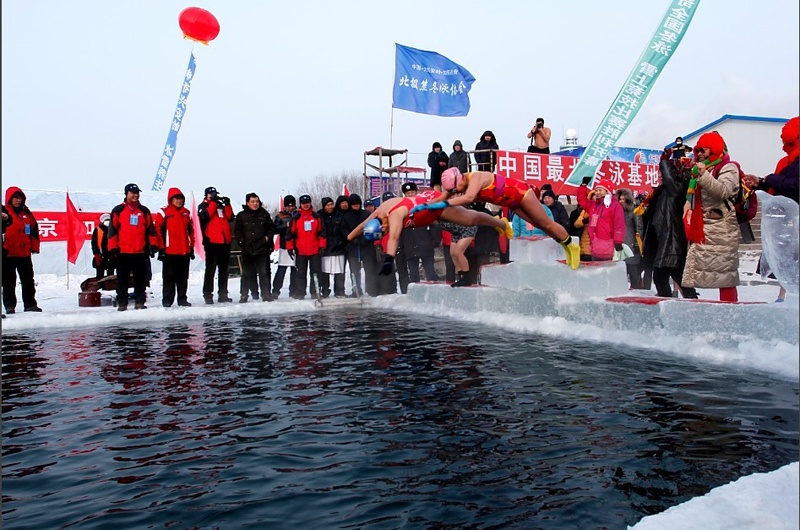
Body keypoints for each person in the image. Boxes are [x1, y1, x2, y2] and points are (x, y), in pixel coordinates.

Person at [412, 168, 580, 269]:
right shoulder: (456, 185)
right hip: (513, 204)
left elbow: (469, 198)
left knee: (546, 223)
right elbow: (441, 197)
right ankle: (566, 247)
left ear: (460, 177)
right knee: (540, 226)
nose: (456, 192)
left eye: (456, 189)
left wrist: (442, 205)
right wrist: (423, 205)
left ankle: (572, 247)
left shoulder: (474, 178)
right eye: (453, 190)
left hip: (521, 193)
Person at [347, 188, 513, 282]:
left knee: (471, 219)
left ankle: (500, 223)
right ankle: (464, 278)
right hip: (437, 216)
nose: (385, 232)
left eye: (383, 230)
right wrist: (346, 240)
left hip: (435, 207)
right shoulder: (378, 214)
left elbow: (394, 238)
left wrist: (389, 260)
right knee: (455, 252)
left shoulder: (394, 214)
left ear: (382, 223)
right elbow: (361, 226)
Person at [743, 115, 799, 302]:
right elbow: (779, 190)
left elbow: (795, 185)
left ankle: (787, 297)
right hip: (787, 224)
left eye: (790, 142)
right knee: (788, 261)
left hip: (795, 222)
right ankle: (783, 297)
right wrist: (760, 183)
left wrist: (771, 179)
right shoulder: (786, 162)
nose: (785, 145)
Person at [682, 132, 741, 302]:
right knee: (700, 269)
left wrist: (704, 175)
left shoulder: (729, 167)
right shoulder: (701, 169)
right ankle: (694, 303)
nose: (699, 153)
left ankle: (730, 308)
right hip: (704, 227)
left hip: (721, 228)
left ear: (714, 148)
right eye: (697, 150)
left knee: (725, 273)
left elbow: (722, 191)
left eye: (703, 149)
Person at [639, 152, 698, 299]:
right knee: (672, 276)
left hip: (671, 241)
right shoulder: (665, 190)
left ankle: (673, 304)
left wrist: (664, 161)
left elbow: (669, 179)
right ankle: (687, 302)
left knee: (664, 276)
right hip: (666, 240)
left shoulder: (678, 188)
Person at [108, 183, 158, 311]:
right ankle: (122, 303)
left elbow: (150, 230)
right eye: (133, 193)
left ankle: (140, 302)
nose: (135, 195)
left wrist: (153, 245)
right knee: (122, 279)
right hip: (123, 251)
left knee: (140, 279)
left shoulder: (144, 211)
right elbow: (112, 231)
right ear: (126, 194)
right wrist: (112, 248)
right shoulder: (118, 210)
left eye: (137, 193)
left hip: (140, 251)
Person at [2, 187, 42, 313]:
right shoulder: (4, 212)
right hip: (8, 252)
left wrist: (34, 247)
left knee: (28, 280)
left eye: (20, 198)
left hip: (24, 253)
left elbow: (34, 230)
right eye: (15, 198)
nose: (18, 201)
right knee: (9, 281)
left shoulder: (27, 213)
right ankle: (9, 306)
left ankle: (30, 304)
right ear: (10, 199)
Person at [154, 187, 195, 307]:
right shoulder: (163, 213)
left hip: (184, 251)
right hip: (169, 251)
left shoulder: (186, 213)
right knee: (169, 277)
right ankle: (167, 300)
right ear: (171, 199)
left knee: (183, 278)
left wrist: (191, 247)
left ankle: (182, 299)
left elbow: (191, 232)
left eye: (181, 198)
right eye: (176, 198)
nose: (179, 201)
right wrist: (161, 249)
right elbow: (158, 231)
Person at [234, 192, 274, 303]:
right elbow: (237, 231)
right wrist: (241, 241)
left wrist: (267, 238)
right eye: (252, 202)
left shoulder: (264, 214)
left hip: (261, 248)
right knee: (246, 274)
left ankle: (266, 294)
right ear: (247, 203)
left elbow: (271, 228)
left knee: (263, 272)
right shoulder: (241, 216)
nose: (255, 204)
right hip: (247, 249)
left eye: (257, 201)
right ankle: (244, 295)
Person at [198, 186, 235, 304]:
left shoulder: (220, 207)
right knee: (210, 269)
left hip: (224, 241)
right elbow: (206, 216)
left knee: (224, 270)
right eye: (211, 194)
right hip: (212, 242)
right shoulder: (203, 206)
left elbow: (230, 217)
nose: (214, 196)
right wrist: (213, 203)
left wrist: (227, 205)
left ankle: (223, 294)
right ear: (207, 195)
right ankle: (208, 294)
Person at [576, 177, 626, 262]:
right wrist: (583, 186)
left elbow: (619, 224)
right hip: (595, 245)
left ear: (607, 191)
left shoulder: (615, 205)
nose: (597, 192)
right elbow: (582, 200)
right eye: (596, 190)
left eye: (600, 190)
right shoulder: (593, 205)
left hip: (609, 245)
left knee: (608, 272)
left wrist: (618, 240)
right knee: (596, 272)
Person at [399, 182, 439, 284]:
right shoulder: (401, 210)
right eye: (408, 193)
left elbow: (434, 225)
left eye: (413, 192)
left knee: (430, 272)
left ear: (416, 193)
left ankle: (432, 293)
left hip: (425, 245)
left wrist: (434, 241)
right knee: (413, 274)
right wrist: (401, 245)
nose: (411, 194)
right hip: (410, 246)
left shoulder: (424, 207)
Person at [289, 194, 324, 300]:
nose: (305, 205)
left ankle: (315, 291)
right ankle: (300, 293)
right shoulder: (296, 217)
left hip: (314, 250)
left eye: (307, 203)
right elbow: (290, 234)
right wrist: (290, 247)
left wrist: (322, 245)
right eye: (303, 203)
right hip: (301, 250)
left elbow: (322, 233)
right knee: (300, 273)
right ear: (300, 204)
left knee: (316, 273)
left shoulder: (316, 216)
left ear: (310, 203)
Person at [341, 193, 376, 297]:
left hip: (366, 245)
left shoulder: (366, 214)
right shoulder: (346, 216)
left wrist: (364, 240)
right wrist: (352, 239)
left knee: (369, 269)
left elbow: (372, 227)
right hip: (353, 247)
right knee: (354, 271)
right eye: (353, 203)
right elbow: (344, 230)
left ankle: (371, 290)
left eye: (357, 203)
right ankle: (356, 290)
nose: (356, 205)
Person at [318, 197, 348, 298]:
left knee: (339, 271)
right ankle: (325, 291)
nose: (330, 207)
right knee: (325, 271)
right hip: (326, 248)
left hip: (338, 247)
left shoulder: (339, 215)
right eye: (328, 205)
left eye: (331, 204)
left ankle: (339, 291)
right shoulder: (319, 216)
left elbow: (343, 230)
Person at [616, 188, 644, 289]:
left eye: (623, 199)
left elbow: (639, 228)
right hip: (620, 245)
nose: (621, 201)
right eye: (620, 199)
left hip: (631, 245)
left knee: (633, 273)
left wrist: (637, 244)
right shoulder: (617, 212)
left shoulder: (634, 211)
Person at [271, 194, 296, 299]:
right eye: (288, 206)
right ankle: (276, 291)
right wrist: (285, 226)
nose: (290, 208)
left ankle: (294, 291)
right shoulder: (280, 216)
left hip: (296, 246)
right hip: (284, 246)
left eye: (292, 206)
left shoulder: (298, 215)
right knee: (281, 270)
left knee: (295, 271)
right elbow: (275, 229)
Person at [91, 213, 116, 279]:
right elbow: (94, 243)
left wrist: (116, 253)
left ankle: (109, 286)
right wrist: (96, 254)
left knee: (110, 275)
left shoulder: (114, 230)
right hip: (100, 256)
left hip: (111, 256)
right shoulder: (97, 230)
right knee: (99, 274)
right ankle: (100, 285)